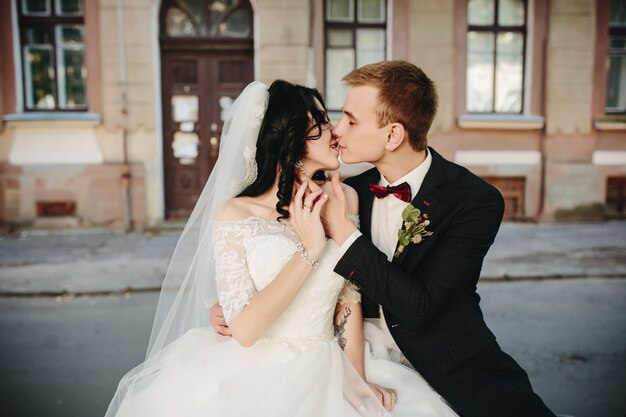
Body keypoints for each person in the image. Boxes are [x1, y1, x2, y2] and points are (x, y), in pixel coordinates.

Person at [105, 80, 459, 417]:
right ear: (291, 139)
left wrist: (355, 377)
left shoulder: (343, 198)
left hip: (331, 359)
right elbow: (243, 330)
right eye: (320, 124)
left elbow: (348, 298)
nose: (335, 132)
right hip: (257, 369)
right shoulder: (235, 214)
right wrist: (309, 250)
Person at [317, 61, 556, 417]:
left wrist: (347, 235)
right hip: (363, 366)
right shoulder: (347, 194)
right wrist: (234, 305)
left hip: (455, 368)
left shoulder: (475, 200)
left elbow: (420, 306)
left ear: (393, 135)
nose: (337, 130)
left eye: (351, 121)